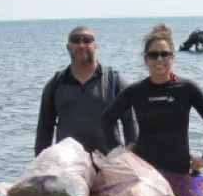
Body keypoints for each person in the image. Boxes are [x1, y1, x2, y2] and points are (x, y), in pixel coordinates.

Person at [100, 24, 203, 196]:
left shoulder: (187, 88)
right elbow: (106, 119)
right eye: (154, 55)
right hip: (144, 174)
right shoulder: (136, 90)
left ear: (173, 57)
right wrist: (121, 153)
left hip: (179, 171)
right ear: (145, 59)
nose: (159, 59)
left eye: (165, 54)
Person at [34, 25, 138, 156]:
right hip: (68, 165)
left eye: (87, 40)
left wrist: (133, 158)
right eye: (76, 40)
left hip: (109, 162)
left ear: (95, 46)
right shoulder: (55, 84)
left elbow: (131, 123)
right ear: (68, 47)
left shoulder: (114, 81)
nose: (82, 45)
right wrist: (40, 165)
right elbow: (44, 130)